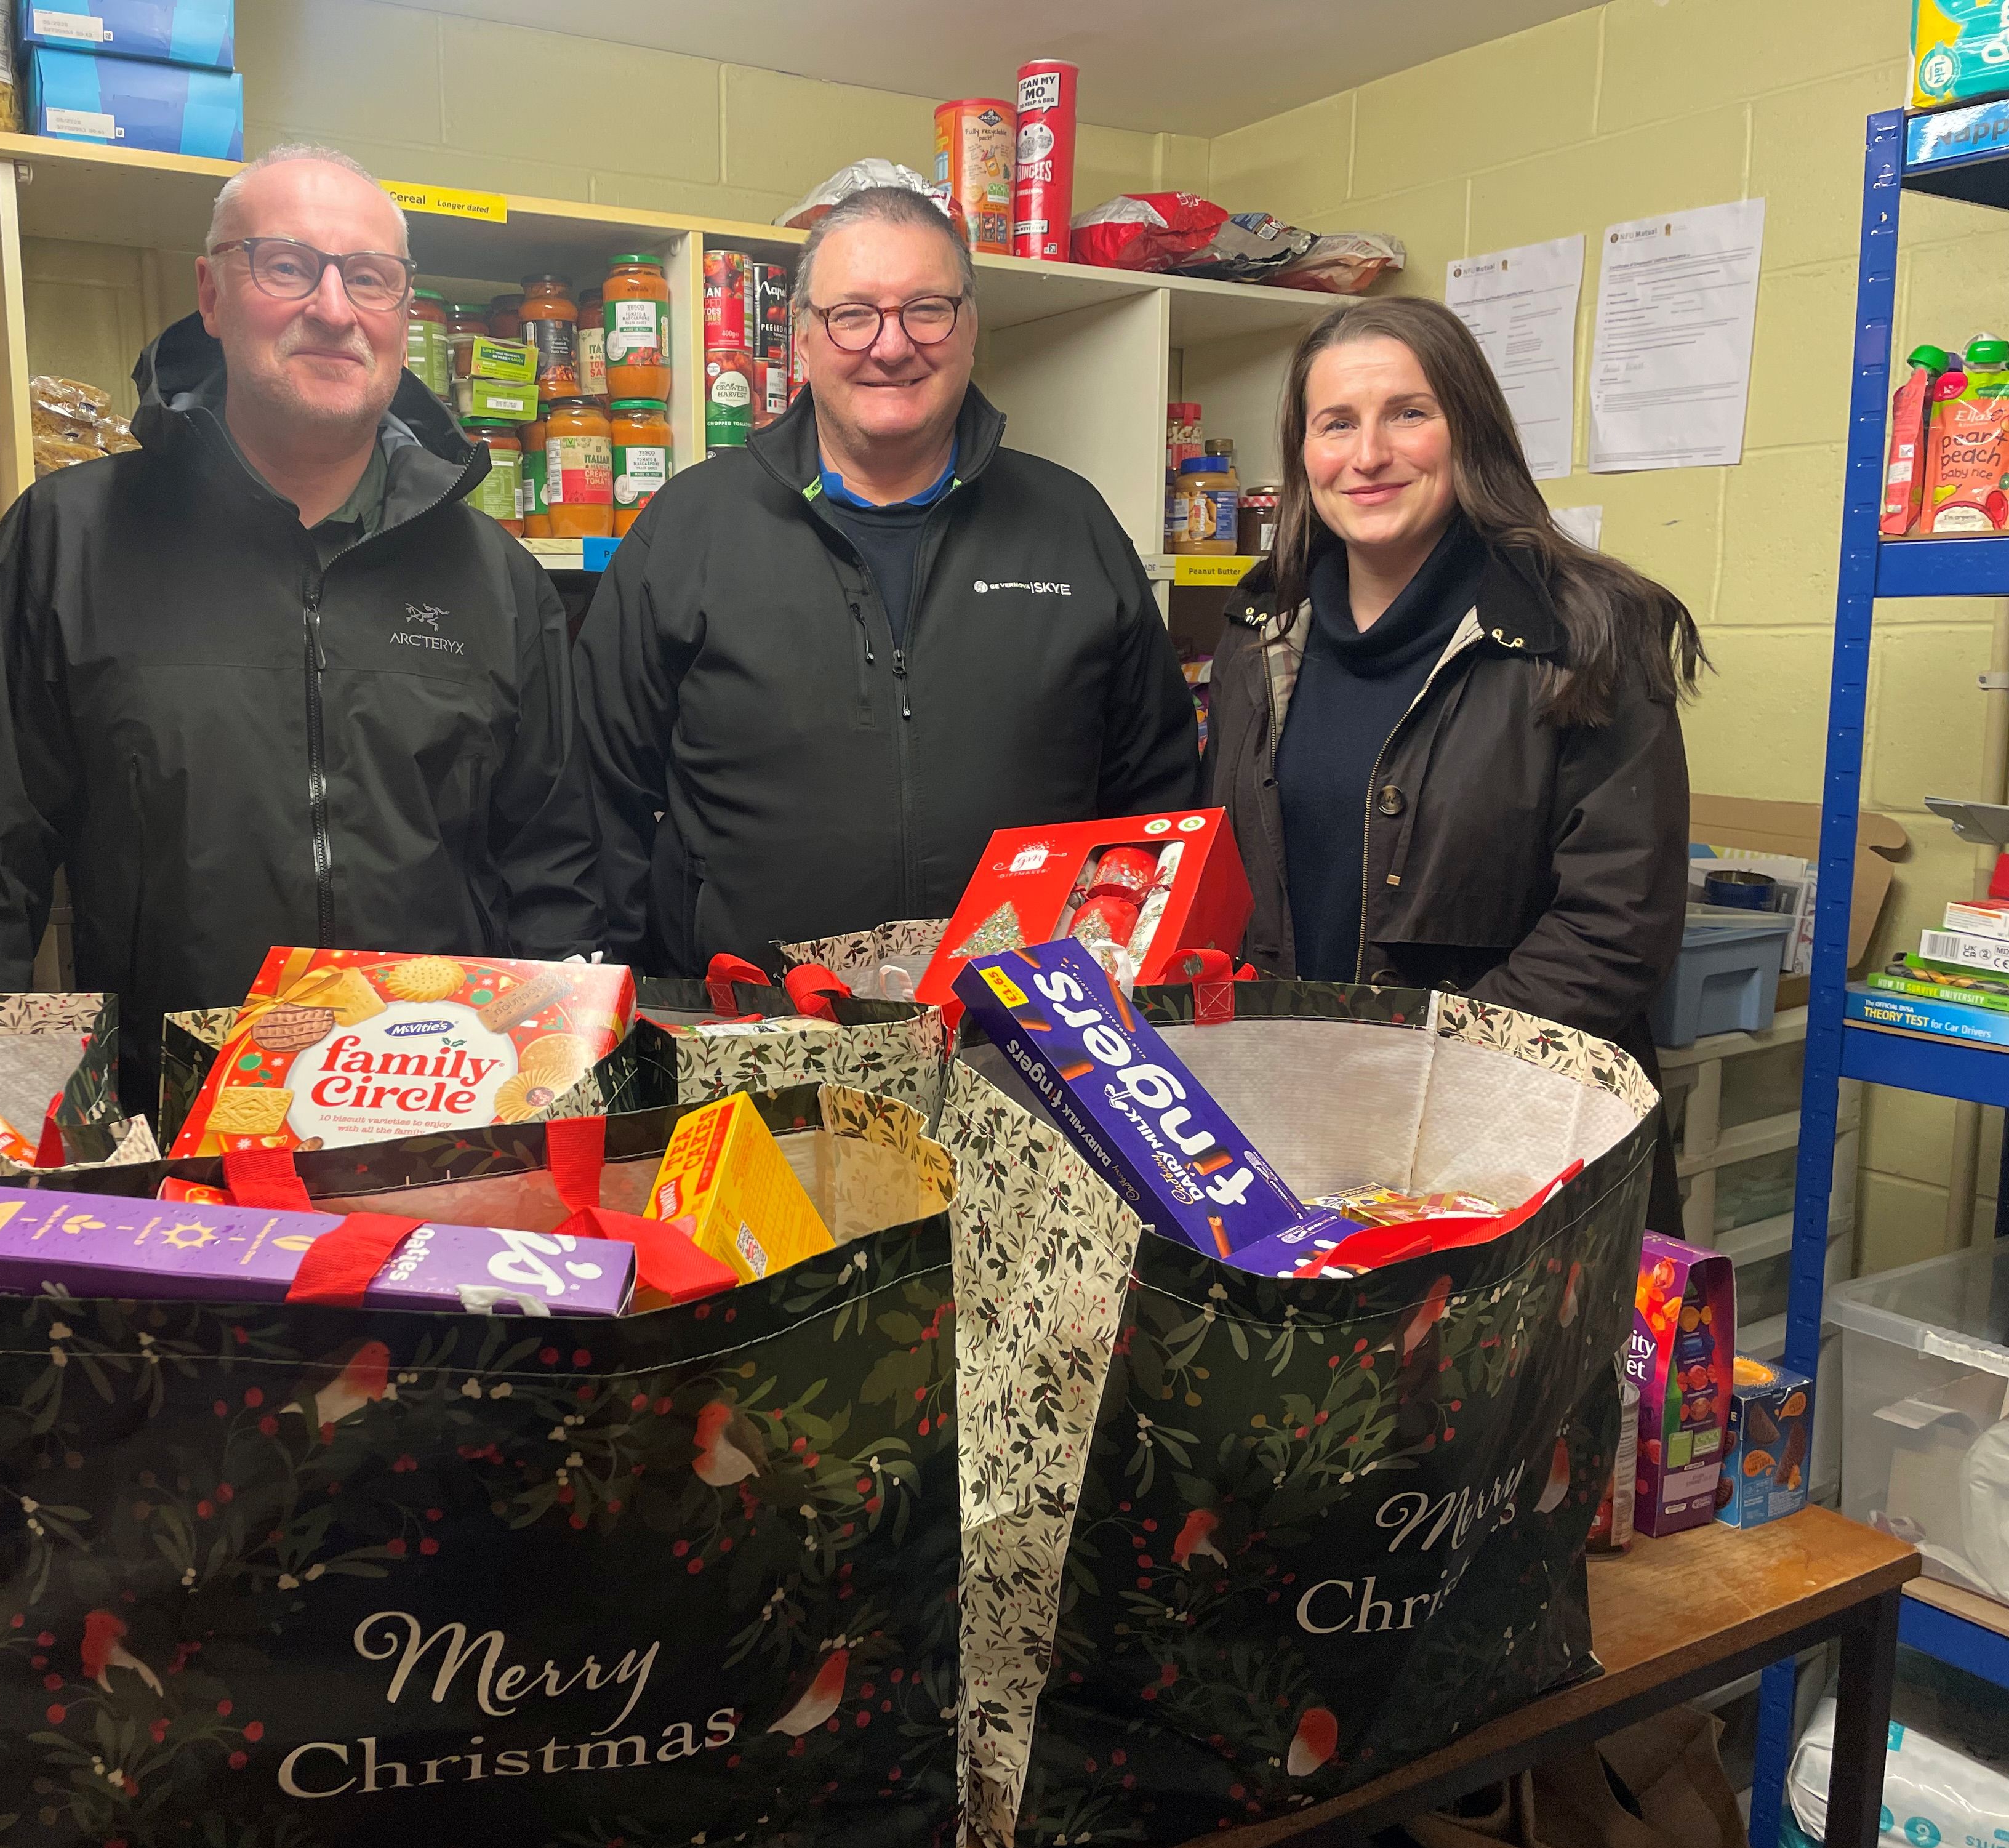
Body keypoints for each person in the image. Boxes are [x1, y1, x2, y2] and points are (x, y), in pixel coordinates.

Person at [0, 144, 602, 1107]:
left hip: (436, 1130)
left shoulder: (499, 580)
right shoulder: (70, 540)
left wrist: (553, 1123)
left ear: (400, 312)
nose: (334, 308)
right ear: (213, 294)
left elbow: (551, 883)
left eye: (370, 278)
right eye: (287, 266)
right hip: (173, 1128)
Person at [574, 185, 1201, 976]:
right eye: (853, 314)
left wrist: (1121, 977)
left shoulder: (1069, 523)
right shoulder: (692, 525)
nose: (892, 345)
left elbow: (1157, 792)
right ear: (804, 336)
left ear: (971, 327)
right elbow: (601, 790)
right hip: (753, 1029)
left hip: (1021, 1027)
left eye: (926, 309)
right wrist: (635, 1003)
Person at [1198, 295, 1701, 1230]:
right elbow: (1229, 874)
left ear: (1470, 430)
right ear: (1303, 453)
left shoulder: (1587, 629)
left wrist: (1416, 1071)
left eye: (1408, 414)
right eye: (1335, 423)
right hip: (1294, 1122)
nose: (1369, 454)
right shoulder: (1261, 629)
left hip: (1512, 1140)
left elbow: (1614, 928)